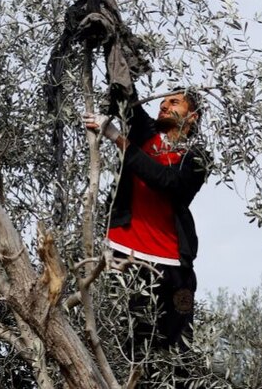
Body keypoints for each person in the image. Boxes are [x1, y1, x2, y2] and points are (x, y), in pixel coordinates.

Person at [83, 88, 210, 354]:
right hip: (124, 257)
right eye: (162, 102)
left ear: (193, 117)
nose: (163, 106)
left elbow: (168, 182)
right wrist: (115, 47)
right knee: (122, 344)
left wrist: (117, 137)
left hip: (173, 269)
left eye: (174, 102)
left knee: (176, 356)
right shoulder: (145, 135)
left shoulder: (197, 158)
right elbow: (124, 90)